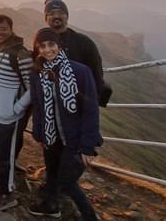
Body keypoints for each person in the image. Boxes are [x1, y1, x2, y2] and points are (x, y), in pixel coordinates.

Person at [28, 28, 102, 221]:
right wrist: (40, 133)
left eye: (51, 44)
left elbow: (91, 110)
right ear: (37, 48)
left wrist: (87, 146)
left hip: (74, 139)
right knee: (51, 173)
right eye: (42, 46)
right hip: (51, 137)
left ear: (59, 45)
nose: (47, 50)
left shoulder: (79, 71)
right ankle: (51, 206)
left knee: (67, 181)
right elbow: (37, 104)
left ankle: (89, 216)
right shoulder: (37, 73)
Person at [0, 15, 33, 209]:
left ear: (11, 29)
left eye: (3, 29)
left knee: (6, 156)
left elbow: (32, 88)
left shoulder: (20, 54)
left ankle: (7, 191)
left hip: (9, 116)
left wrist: (16, 109)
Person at [44, 0, 110, 106]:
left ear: (67, 16)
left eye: (61, 13)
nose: (56, 16)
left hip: (80, 105)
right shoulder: (42, 45)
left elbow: (97, 76)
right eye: (51, 14)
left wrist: (91, 104)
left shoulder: (84, 43)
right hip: (53, 106)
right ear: (46, 18)